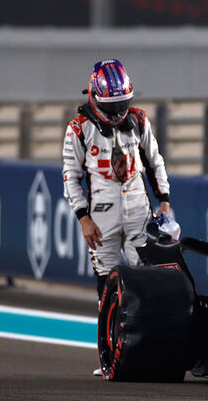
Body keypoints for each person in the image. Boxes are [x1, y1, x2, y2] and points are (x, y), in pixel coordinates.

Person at [62, 58, 172, 301]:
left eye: (122, 103)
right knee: (107, 281)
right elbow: (70, 178)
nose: (118, 110)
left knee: (147, 277)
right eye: (112, 105)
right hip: (102, 216)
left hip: (138, 212)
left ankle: (146, 333)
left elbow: (155, 161)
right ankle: (109, 336)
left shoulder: (139, 120)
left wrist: (164, 200)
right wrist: (83, 219)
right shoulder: (79, 129)